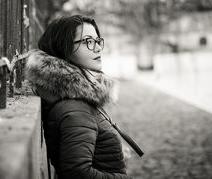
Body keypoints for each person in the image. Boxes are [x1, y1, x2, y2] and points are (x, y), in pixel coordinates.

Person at [25, 15, 142, 179]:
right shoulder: (75, 108)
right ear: (63, 48)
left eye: (97, 41)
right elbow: (77, 173)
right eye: (87, 41)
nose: (97, 48)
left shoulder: (74, 97)